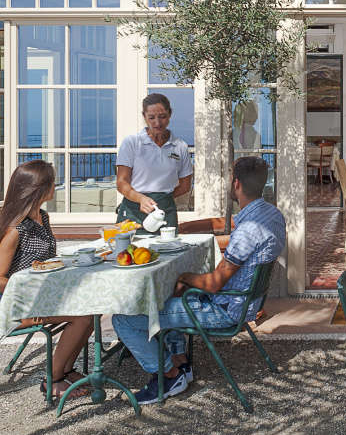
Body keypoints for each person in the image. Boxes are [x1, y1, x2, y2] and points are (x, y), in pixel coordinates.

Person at [112, 156, 286, 405]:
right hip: (247, 302)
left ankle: (168, 376)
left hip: (226, 310)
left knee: (125, 318)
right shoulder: (271, 214)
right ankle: (181, 363)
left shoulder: (248, 230)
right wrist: (189, 231)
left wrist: (184, 277)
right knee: (172, 294)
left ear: (236, 183)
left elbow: (214, 283)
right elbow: (235, 236)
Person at [0, 160, 95, 401]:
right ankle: (52, 380)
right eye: (52, 182)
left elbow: (47, 261)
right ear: (38, 189)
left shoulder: (42, 218)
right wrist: (31, 291)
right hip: (11, 306)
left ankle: (66, 370)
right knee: (81, 318)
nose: (55, 186)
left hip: (39, 298)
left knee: (90, 311)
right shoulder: (16, 229)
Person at [116, 93, 194, 233]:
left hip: (164, 211)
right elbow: (121, 183)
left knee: (169, 252)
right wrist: (140, 199)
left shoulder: (180, 146)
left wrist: (163, 198)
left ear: (170, 114)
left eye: (162, 116)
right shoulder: (132, 143)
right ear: (144, 117)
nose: (157, 123)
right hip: (133, 209)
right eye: (151, 118)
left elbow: (185, 185)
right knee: (128, 253)